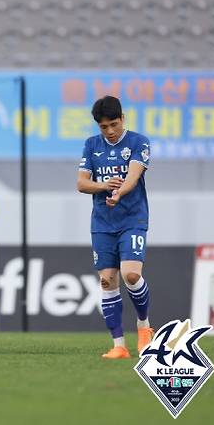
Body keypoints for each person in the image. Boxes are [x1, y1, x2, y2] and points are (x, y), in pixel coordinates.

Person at [77, 95, 153, 359]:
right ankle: (119, 345)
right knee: (107, 280)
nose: (109, 131)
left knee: (131, 275)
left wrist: (119, 193)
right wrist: (104, 186)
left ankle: (144, 327)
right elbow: (82, 183)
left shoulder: (138, 142)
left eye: (114, 124)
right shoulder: (91, 145)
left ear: (123, 119)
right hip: (102, 222)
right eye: (103, 127)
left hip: (132, 218)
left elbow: (133, 175)